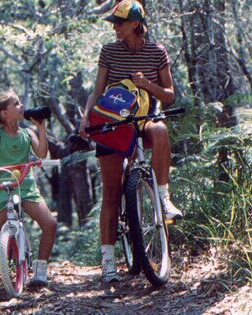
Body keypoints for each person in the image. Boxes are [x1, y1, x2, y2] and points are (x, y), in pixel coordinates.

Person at [80, 0, 182, 283]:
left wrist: (146, 85)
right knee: (111, 193)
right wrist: (85, 118)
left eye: (120, 23)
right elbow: (97, 91)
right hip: (112, 124)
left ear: (135, 24)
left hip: (142, 121)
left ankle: (163, 199)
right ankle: (108, 261)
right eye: (114, 23)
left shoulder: (156, 52)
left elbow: (170, 95)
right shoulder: (109, 51)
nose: (115, 28)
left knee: (160, 130)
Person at [0, 90, 57, 294]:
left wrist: (41, 128)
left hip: (26, 187)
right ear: (4, 114)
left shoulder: (27, 133)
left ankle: (41, 270)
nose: (21, 106)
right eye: (16, 104)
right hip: (3, 189)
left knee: (50, 224)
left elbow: (42, 153)